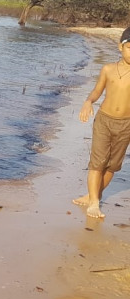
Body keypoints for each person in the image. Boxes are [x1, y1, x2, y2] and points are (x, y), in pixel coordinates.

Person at [73, 27, 130, 218]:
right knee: (97, 163)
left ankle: (92, 195)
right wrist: (88, 101)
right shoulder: (108, 69)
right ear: (120, 47)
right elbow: (97, 91)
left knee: (112, 166)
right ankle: (94, 204)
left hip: (126, 125)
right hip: (104, 121)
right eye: (129, 47)